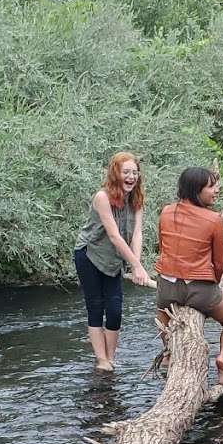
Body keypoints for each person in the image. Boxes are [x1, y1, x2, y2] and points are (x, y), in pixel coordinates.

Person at [154, 166, 223, 387]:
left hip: (167, 286)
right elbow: (219, 262)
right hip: (200, 289)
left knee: (161, 312)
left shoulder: (165, 212)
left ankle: (168, 352)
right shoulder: (214, 219)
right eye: (211, 186)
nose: (216, 191)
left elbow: (162, 248)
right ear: (196, 190)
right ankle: (222, 359)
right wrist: (216, 284)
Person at [74, 152, 151, 371]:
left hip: (114, 259)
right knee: (96, 306)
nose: (131, 176)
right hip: (89, 255)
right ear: (115, 173)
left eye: (135, 172)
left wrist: (137, 265)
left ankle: (110, 357)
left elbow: (136, 234)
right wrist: (135, 267)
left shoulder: (136, 200)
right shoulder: (102, 197)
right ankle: (102, 360)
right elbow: (114, 235)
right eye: (126, 172)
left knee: (115, 310)